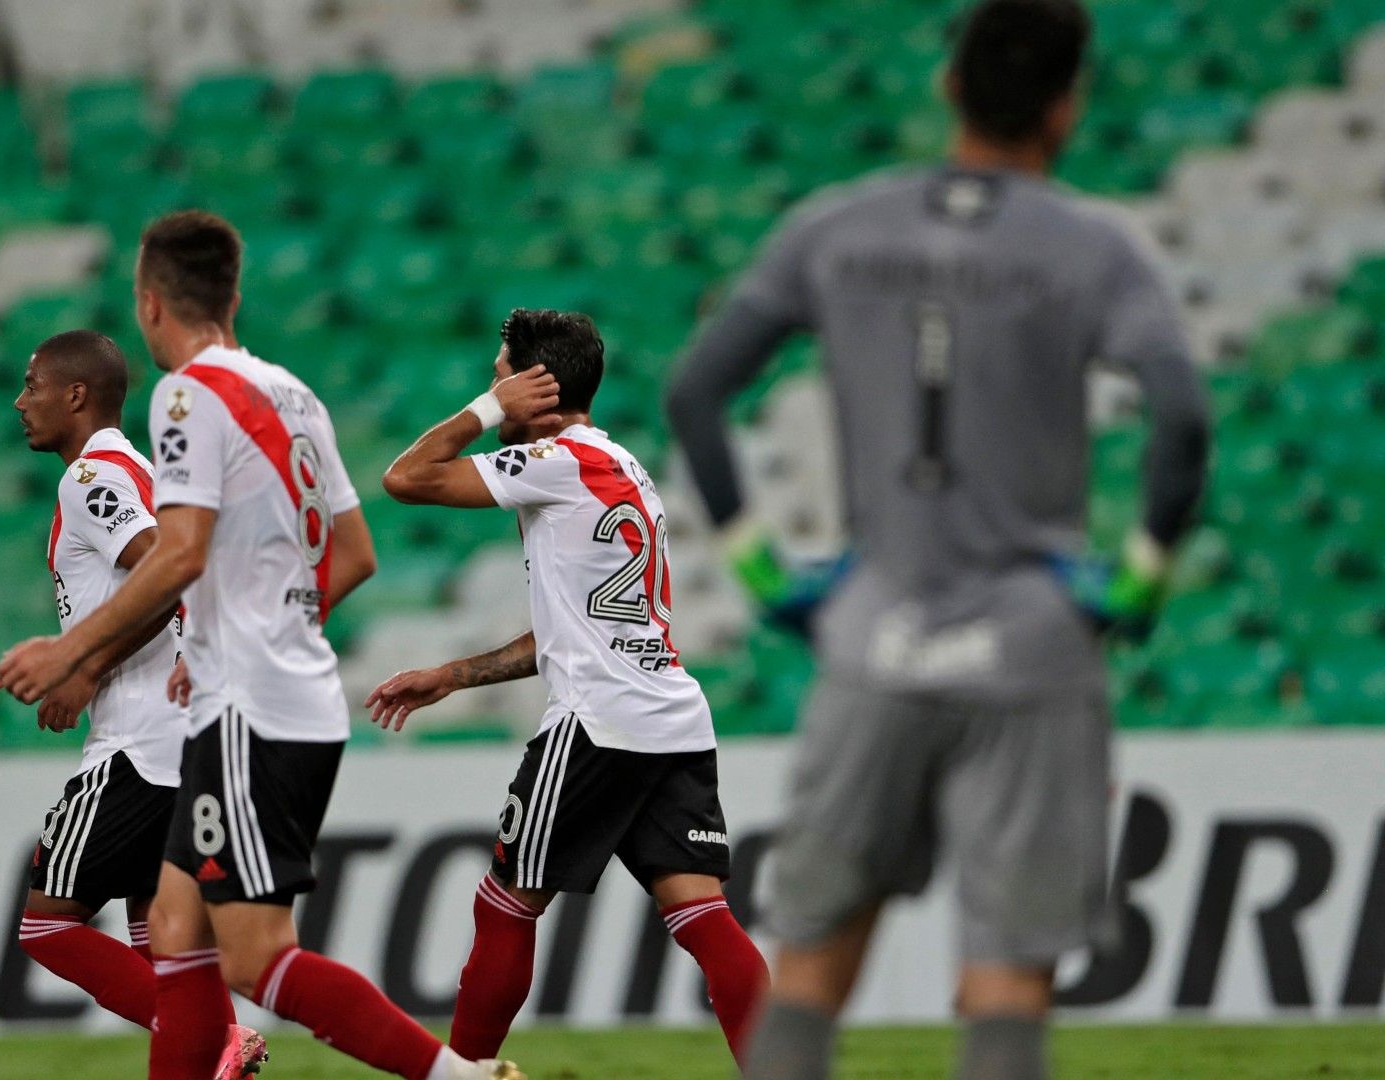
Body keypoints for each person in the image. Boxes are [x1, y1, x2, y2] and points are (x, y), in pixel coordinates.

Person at [663, 2, 1212, 1078]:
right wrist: (1140, 580)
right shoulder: (1092, 248)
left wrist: (772, 577)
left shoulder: (838, 227)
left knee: (813, 967)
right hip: (1030, 648)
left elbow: (696, 392)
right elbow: (1182, 415)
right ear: (1066, 108)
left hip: (873, 636)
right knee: (1005, 981)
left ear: (950, 87)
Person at [0, 210, 524, 1080]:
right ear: (235, 296)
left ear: (150, 302)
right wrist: (252, 628)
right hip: (277, 694)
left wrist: (73, 654)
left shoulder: (186, 396)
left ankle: (455, 1078)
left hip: (246, 705)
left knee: (256, 959)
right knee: (171, 931)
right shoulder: (294, 393)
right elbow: (353, 556)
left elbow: (178, 553)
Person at [369, 308, 770, 1072]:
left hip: (600, 724)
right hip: (670, 719)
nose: (492, 387)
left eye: (501, 375)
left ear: (532, 385)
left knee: (506, 904)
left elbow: (405, 478)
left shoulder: (553, 460)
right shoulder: (623, 467)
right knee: (704, 915)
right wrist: (450, 676)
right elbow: (573, 630)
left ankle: (463, 1078)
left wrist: (490, 412)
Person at [9, 328, 268, 1076]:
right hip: (186, 736)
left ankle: (209, 1038)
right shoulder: (140, 471)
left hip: (141, 744)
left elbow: (166, 570)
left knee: (46, 924)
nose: (21, 402)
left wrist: (85, 665)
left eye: (33, 386)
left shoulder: (93, 476)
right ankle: (216, 1052)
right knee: (160, 931)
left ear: (77, 396)